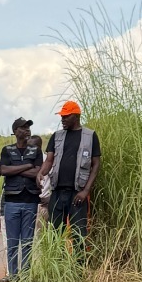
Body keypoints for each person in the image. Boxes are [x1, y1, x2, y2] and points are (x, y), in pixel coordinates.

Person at [39, 100, 100, 243]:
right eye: (62, 116)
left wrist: (86, 191)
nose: (62, 119)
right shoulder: (57, 136)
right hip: (57, 193)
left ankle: (78, 265)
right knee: (55, 233)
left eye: (66, 116)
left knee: (79, 234)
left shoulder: (90, 136)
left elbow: (96, 164)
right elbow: (49, 160)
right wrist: (41, 172)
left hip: (77, 193)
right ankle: (58, 264)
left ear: (76, 116)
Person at [0, 117, 43, 280]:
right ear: (15, 131)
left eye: (28, 127)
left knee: (27, 242)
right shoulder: (7, 150)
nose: (27, 130)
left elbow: (38, 172)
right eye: (23, 127)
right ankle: (13, 275)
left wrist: (15, 169)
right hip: (12, 202)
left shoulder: (35, 151)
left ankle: (25, 276)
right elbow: (3, 170)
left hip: (30, 201)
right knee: (12, 242)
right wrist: (27, 166)